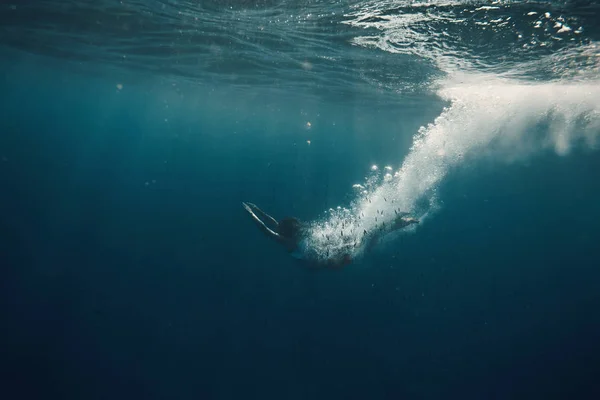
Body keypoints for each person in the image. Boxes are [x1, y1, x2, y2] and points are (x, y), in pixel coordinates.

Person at [242, 201, 418, 269]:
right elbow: (273, 225)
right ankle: (397, 219)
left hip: (334, 258)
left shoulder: (287, 242)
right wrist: (256, 210)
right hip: (332, 251)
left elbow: (267, 228)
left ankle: (399, 221)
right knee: (368, 234)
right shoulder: (293, 237)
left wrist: (252, 213)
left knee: (368, 237)